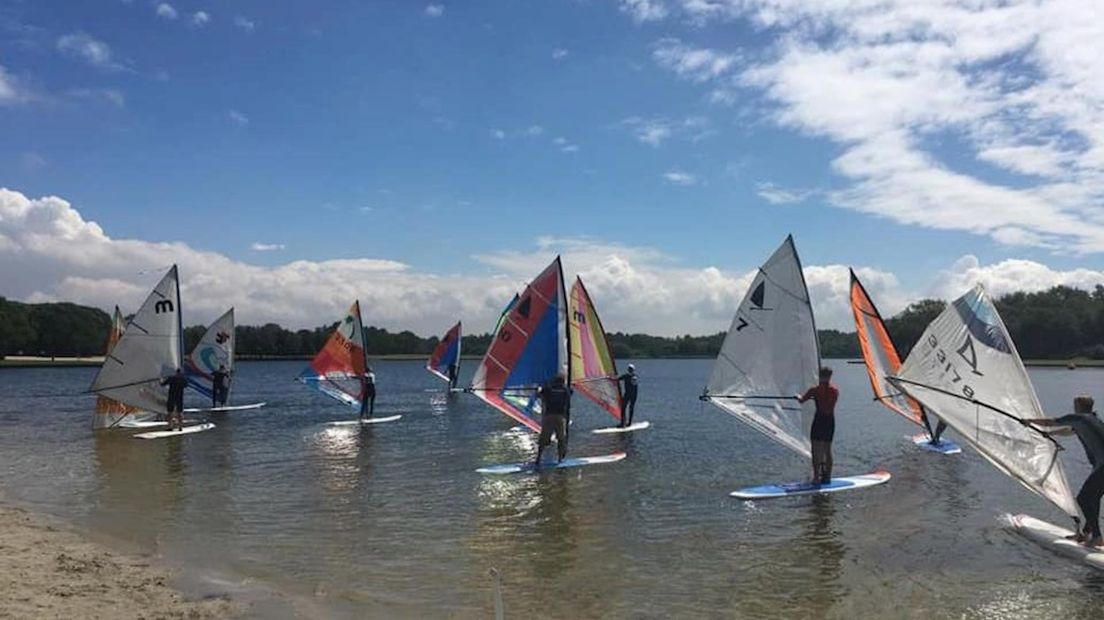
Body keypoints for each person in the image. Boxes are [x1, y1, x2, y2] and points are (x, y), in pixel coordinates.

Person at [1023, 395, 1104, 546]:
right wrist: (1050, 435)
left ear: (1077, 405)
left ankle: (1097, 537)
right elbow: (1069, 430)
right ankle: (1086, 534)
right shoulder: (1092, 420)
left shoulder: (1078, 417)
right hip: (1099, 467)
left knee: (1083, 499)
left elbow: (1050, 422)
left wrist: (1029, 421)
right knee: (1093, 499)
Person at [796, 366, 838, 485]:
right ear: (830, 376)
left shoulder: (814, 390)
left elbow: (801, 400)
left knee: (816, 449)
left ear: (820, 376)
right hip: (830, 421)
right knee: (827, 450)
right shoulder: (835, 391)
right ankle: (828, 477)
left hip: (819, 420)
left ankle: (816, 478)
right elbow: (828, 402)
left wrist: (799, 397)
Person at [534, 373, 571, 467]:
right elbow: (570, 394)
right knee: (561, 438)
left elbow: (539, 394)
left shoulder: (548, 389)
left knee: (544, 438)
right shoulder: (565, 390)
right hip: (560, 417)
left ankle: (538, 459)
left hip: (549, 416)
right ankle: (560, 458)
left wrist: (541, 388)